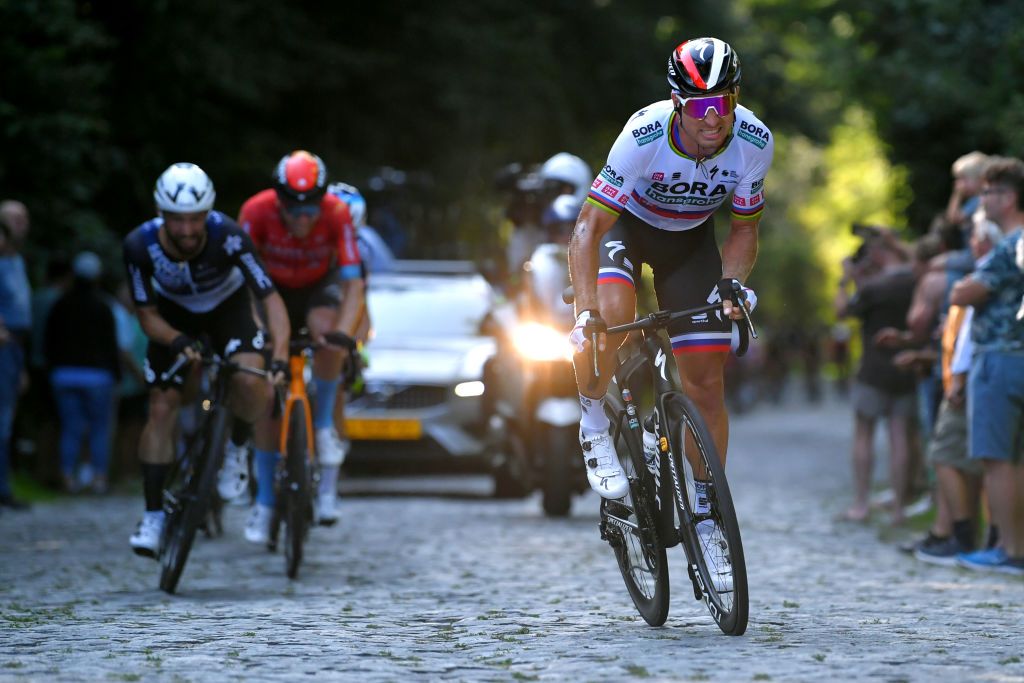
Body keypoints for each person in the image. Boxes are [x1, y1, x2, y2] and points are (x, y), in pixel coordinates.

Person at [567, 37, 773, 590]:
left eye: (724, 103)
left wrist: (732, 283)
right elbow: (587, 229)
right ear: (679, 104)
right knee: (609, 316)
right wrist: (585, 311)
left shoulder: (753, 141)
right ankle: (592, 424)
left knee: (706, 378)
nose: (714, 119)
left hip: (689, 244)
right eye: (701, 107)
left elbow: (745, 229)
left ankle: (707, 516)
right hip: (626, 233)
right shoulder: (643, 135)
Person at [122, 163, 290, 557]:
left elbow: (270, 298)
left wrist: (279, 355)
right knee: (161, 407)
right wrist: (177, 339)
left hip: (225, 310)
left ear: (208, 213)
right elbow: (146, 315)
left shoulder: (229, 236)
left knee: (251, 379)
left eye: (195, 219)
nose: (186, 230)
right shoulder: (138, 245)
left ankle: (235, 448)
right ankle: (153, 516)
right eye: (176, 220)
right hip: (172, 317)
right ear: (161, 214)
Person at [238, 151, 364, 539]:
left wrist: (344, 335)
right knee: (265, 401)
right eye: (293, 208)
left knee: (328, 332)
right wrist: (257, 331)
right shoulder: (255, 211)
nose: (303, 217)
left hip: (314, 290)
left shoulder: (337, 213)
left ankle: (322, 425)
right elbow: (238, 283)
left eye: (311, 207)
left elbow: (354, 285)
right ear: (278, 200)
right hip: (267, 290)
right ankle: (263, 505)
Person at [949, 156, 1024, 575]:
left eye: (992, 191)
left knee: (997, 459)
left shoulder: (1010, 245)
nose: (985, 196)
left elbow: (964, 292)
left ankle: (1010, 551)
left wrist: (963, 284)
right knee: (1017, 459)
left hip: (998, 358)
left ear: (1009, 198)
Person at [913, 215, 1002, 564]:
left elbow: (970, 336)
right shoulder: (989, 276)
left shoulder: (983, 278)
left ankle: (964, 536)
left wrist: (960, 380)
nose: (972, 244)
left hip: (967, 379)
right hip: (967, 376)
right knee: (987, 461)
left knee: (946, 455)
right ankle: (988, 538)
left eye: (977, 237)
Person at [835, 231, 919, 524]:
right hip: (906, 366)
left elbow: (842, 311)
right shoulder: (913, 280)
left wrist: (845, 280)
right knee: (900, 439)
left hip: (872, 369)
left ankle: (861, 504)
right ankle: (898, 509)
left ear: (879, 253)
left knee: (864, 434)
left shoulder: (874, 288)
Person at [44, 252, 120, 494]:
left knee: (71, 427)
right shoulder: (104, 307)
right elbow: (111, 345)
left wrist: (52, 368)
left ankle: (67, 475)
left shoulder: (60, 304)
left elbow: (49, 340)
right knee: (99, 427)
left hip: (64, 374)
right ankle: (99, 477)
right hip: (98, 376)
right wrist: (116, 374)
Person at [0, 203, 32, 511]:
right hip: (4, 343)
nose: (23, 225)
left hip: (15, 347)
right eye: (15, 220)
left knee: (6, 420)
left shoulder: (16, 261)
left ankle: (4, 486)